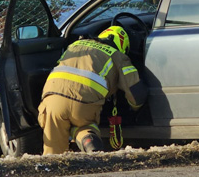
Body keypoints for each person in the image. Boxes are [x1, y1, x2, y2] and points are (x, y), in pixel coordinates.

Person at [39, 26, 148, 154]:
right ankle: (89, 143)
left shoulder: (75, 45)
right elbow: (136, 92)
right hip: (83, 105)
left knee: (53, 149)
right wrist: (135, 108)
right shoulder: (118, 56)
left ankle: (51, 169)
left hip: (52, 99)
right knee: (84, 125)